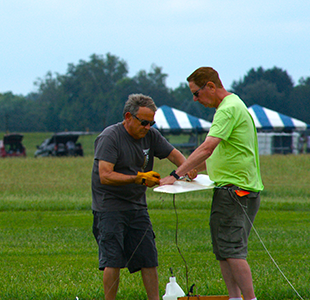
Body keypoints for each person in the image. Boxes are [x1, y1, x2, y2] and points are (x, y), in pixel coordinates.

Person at [161, 67, 263, 300]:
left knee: (233, 250)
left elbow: (207, 147)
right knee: (224, 251)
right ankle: (235, 298)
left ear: (210, 86)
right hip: (231, 190)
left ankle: (249, 298)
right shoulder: (235, 105)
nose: (195, 99)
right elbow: (227, 152)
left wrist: (175, 175)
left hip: (235, 192)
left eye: (197, 93)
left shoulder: (227, 110)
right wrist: (196, 169)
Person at [92, 94, 196, 300]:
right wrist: (139, 178)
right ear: (128, 116)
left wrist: (186, 168)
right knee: (112, 261)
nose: (148, 127)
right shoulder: (110, 137)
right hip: (109, 207)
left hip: (137, 206)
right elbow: (105, 175)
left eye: (152, 122)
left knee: (149, 258)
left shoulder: (151, 136)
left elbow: (174, 154)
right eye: (144, 122)